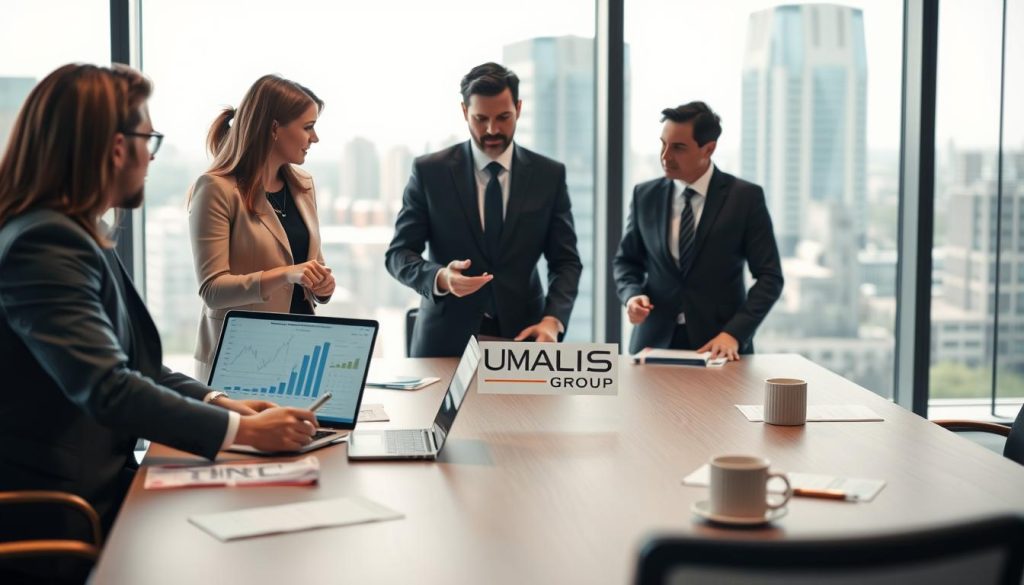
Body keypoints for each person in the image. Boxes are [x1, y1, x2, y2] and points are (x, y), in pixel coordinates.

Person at [0, 64, 317, 582]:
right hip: (65, 511)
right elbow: (109, 388)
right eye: (150, 138)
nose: (152, 155)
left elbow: (138, 367)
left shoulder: (76, 232)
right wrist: (244, 432)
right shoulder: (45, 243)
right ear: (116, 147)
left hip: (102, 488)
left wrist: (224, 403)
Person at [386, 62, 582, 357]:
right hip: (443, 342)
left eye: (504, 117)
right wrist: (440, 277)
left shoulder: (548, 175)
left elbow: (565, 261)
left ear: (518, 108)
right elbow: (398, 255)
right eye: (481, 119)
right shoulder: (430, 172)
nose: (493, 130)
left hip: (525, 340)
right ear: (465, 112)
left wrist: (552, 320)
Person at [189, 75, 335, 382]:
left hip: (298, 358)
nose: (315, 138)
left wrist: (322, 287)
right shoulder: (216, 189)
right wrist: (287, 274)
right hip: (238, 363)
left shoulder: (303, 186)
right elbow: (213, 290)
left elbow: (312, 267)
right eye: (307, 127)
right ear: (273, 129)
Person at [613, 101, 783, 360]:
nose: (665, 156)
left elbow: (770, 278)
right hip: (652, 344)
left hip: (720, 346)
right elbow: (626, 262)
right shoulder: (644, 195)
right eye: (663, 144)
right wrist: (633, 296)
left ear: (709, 149)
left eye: (678, 148)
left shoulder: (745, 198)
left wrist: (734, 334)